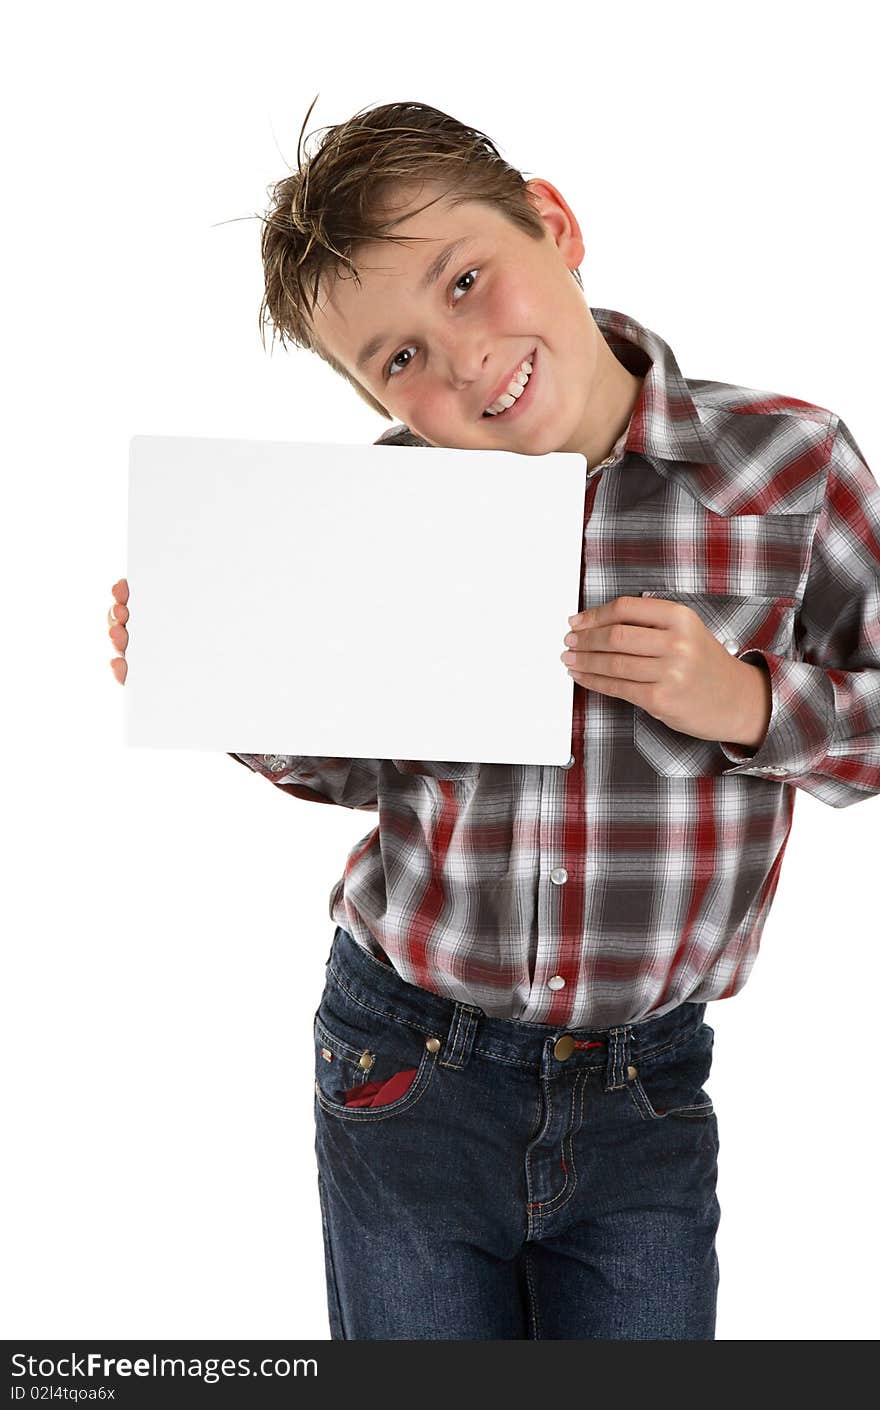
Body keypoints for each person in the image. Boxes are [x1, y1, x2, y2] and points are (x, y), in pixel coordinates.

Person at [107, 98, 880, 1340]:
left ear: (554, 224)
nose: (461, 358)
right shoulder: (391, 511)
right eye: (397, 359)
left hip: (647, 1088)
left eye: (467, 281)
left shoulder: (784, 468)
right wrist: (227, 676)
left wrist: (744, 699)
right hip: (404, 1064)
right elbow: (363, 767)